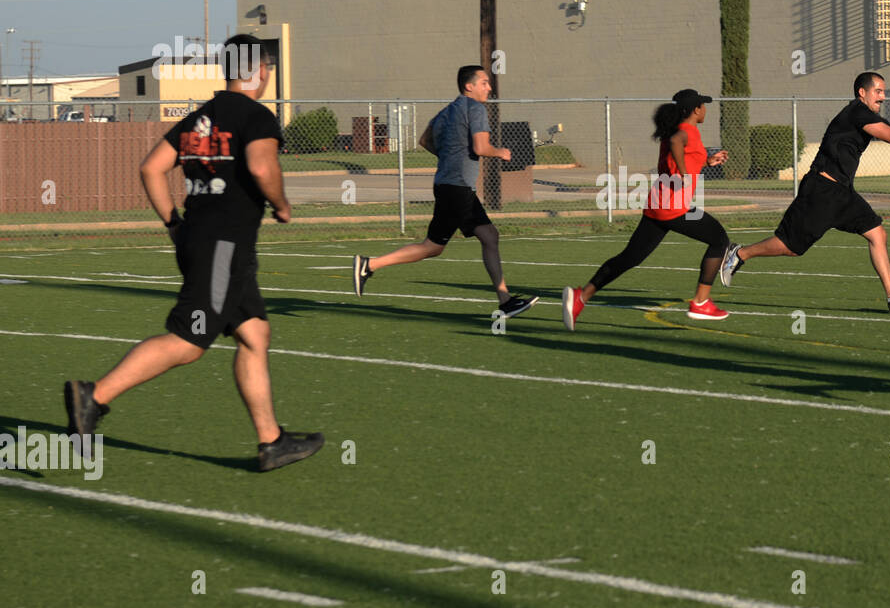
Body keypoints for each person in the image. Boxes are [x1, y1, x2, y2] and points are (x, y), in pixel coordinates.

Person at [63, 35, 324, 472]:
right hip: (225, 247)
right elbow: (262, 167)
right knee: (189, 341)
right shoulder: (256, 116)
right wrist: (281, 204)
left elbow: (151, 168)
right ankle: (95, 397)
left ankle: (271, 441)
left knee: (254, 334)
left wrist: (173, 224)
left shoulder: (199, 118)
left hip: (201, 240)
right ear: (260, 71)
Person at [719, 71, 890, 313]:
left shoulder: (867, 115)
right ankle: (740, 253)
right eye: (878, 91)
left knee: (877, 234)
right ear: (862, 92)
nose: (882, 97)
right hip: (821, 190)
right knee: (791, 247)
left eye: (883, 92)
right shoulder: (857, 112)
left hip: (842, 192)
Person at [352, 65, 537, 319]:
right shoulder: (476, 109)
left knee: (489, 235)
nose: (489, 87)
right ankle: (370, 265)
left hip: (453, 185)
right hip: (457, 188)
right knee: (433, 247)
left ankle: (505, 300)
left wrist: (450, 155)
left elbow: (425, 141)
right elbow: (481, 147)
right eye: (484, 82)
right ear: (469, 86)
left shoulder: (447, 111)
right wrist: (501, 152)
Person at [562, 89, 731, 330]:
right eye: (703, 105)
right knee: (719, 240)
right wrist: (683, 172)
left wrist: (707, 161)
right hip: (674, 207)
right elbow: (677, 144)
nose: (706, 109)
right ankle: (701, 302)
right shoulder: (687, 131)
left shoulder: (675, 131)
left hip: (658, 205)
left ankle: (580, 297)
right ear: (696, 110)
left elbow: (679, 151)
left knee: (631, 257)